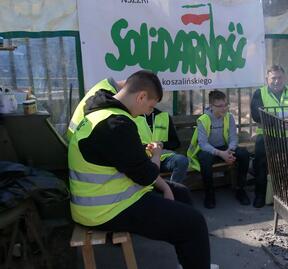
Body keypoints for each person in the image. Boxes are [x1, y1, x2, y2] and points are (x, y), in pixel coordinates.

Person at [68, 70, 211, 268]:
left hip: (105, 199)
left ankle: (189, 259)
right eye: (150, 106)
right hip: (105, 210)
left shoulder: (100, 111)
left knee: (182, 193)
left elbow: (128, 162)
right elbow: (146, 175)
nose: (147, 113)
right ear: (141, 96)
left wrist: (165, 185)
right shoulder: (117, 124)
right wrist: (156, 156)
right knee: (194, 224)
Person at [250, 65, 288, 208]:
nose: (277, 81)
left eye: (279, 77)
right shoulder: (259, 93)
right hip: (269, 136)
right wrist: (277, 123)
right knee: (260, 162)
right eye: (273, 78)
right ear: (267, 79)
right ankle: (260, 195)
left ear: (284, 78)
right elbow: (257, 115)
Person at [187, 90, 251, 209]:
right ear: (211, 106)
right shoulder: (204, 119)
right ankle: (209, 194)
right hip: (208, 150)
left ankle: (240, 189)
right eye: (220, 106)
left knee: (244, 154)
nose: (224, 108)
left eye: (226, 105)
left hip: (224, 148)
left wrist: (229, 151)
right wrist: (221, 154)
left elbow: (233, 137)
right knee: (205, 160)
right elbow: (203, 144)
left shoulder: (229, 117)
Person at [134, 108, 189, 183]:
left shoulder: (164, 116)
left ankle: (174, 190)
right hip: (142, 159)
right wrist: (146, 147)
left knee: (182, 160)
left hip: (163, 158)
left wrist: (162, 144)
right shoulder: (132, 117)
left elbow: (175, 143)